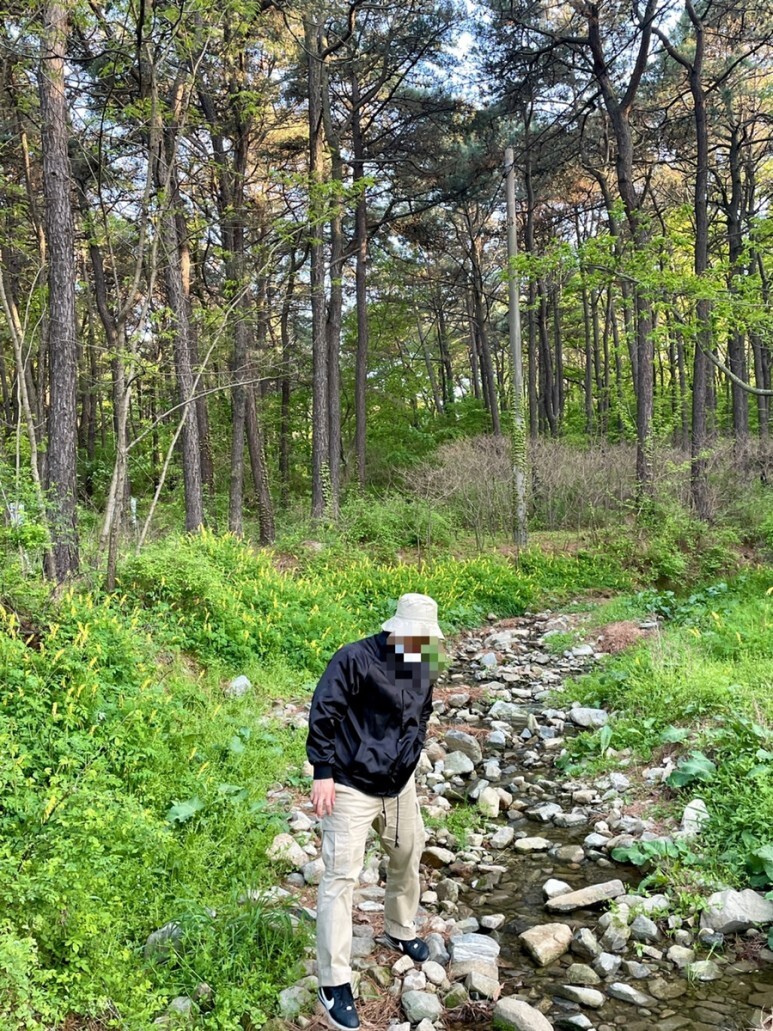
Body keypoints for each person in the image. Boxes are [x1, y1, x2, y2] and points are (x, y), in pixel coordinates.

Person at [306, 593, 445, 1031]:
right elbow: (324, 712)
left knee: (408, 850)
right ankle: (334, 982)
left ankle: (400, 930)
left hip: (399, 784)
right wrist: (322, 771)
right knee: (340, 876)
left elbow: (422, 713)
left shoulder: (425, 660)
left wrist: (412, 756)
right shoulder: (354, 659)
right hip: (349, 782)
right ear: (397, 630)